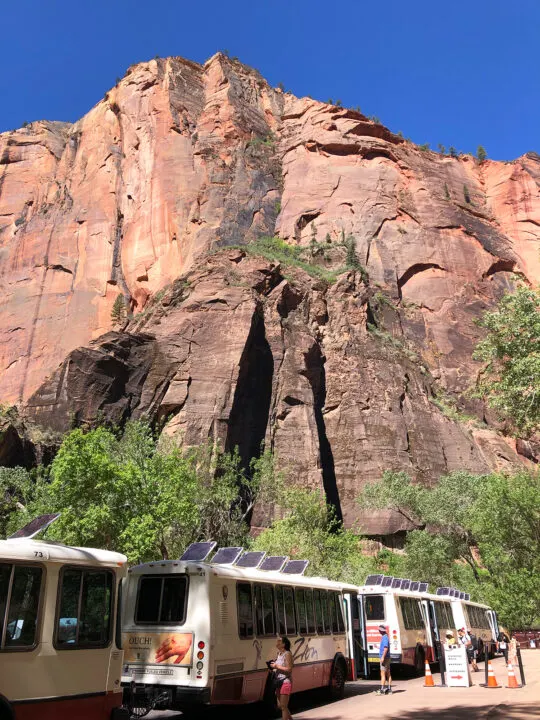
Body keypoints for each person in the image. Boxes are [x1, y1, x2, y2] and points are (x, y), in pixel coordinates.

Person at [270, 636, 293, 720]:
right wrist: (273, 669)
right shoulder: (279, 654)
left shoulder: (287, 654)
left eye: (279, 641)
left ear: (283, 644)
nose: (277, 643)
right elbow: (278, 667)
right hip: (278, 682)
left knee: (283, 706)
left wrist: (277, 666)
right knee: (280, 706)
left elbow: (289, 669)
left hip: (285, 681)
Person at [375, 624, 392, 695]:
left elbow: (385, 649)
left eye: (379, 630)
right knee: (388, 673)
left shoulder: (384, 638)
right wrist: (378, 647)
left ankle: (382, 689)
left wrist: (382, 657)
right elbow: (384, 648)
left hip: (385, 658)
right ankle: (389, 689)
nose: (378, 631)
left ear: (381, 631)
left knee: (382, 674)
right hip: (387, 657)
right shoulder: (385, 637)